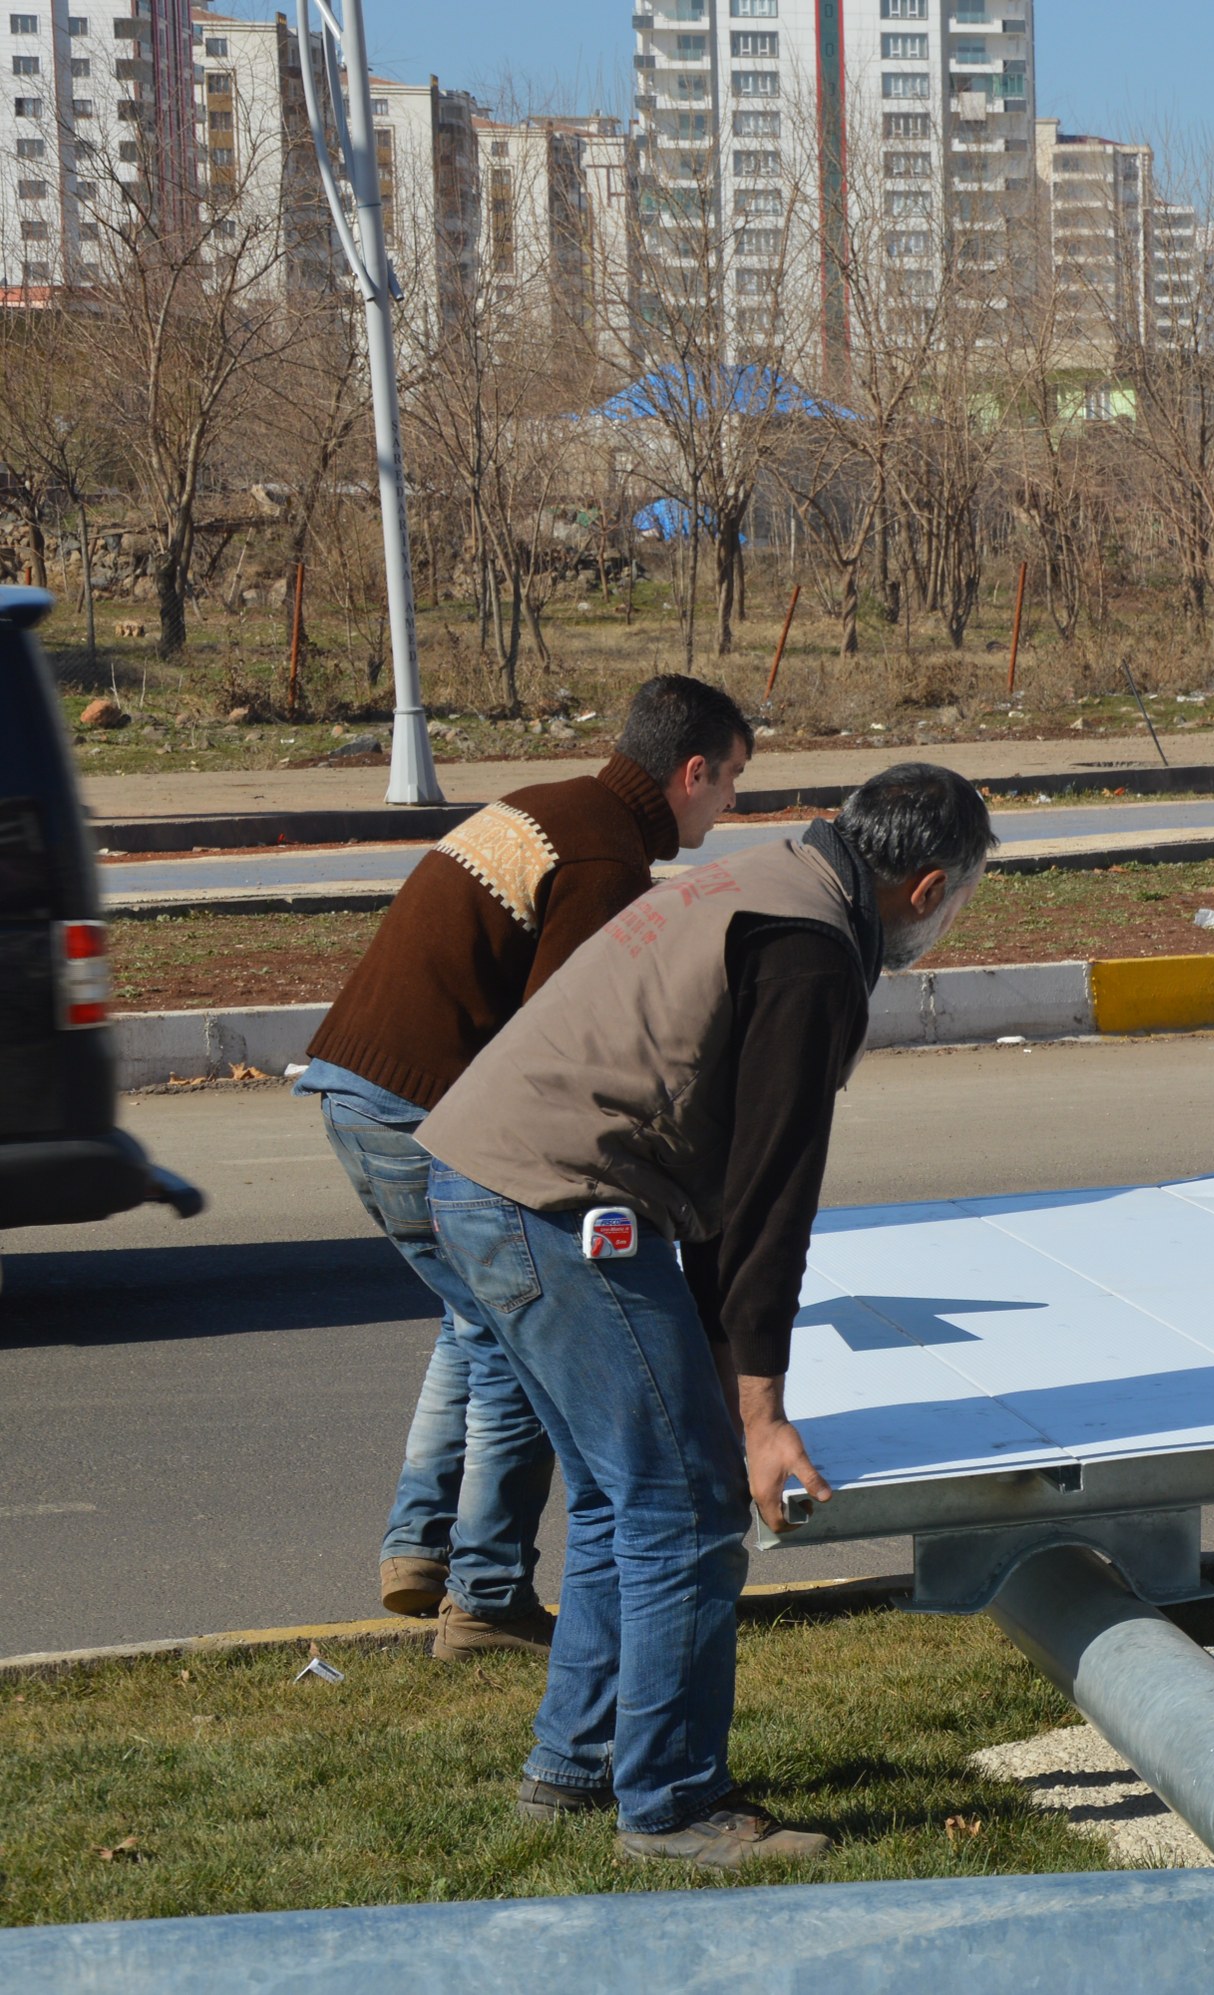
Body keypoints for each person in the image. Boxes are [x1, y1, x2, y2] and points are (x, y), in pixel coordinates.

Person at [420, 763, 989, 1867]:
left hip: (484, 1179)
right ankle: (673, 1807)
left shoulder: (772, 875)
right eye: (960, 901)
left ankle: (575, 1768)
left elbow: (728, 1199)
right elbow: (772, 1194)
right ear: (927, 887)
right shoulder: (815, 951)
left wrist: (731, 1381)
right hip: (553, 1198)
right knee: (685, 1509)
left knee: (622, 1494)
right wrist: (761, 1415)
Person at [297, 675, 752, 1656]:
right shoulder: (603, 858)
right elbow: (561, 1052)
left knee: (477, 1323)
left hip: (356, 1086)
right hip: (418, 1106)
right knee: (522, 1340)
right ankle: (488, 1596)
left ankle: (420, 1550)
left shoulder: (553, 807)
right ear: (694, 771)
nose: (727, 812)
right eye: (730, 788)